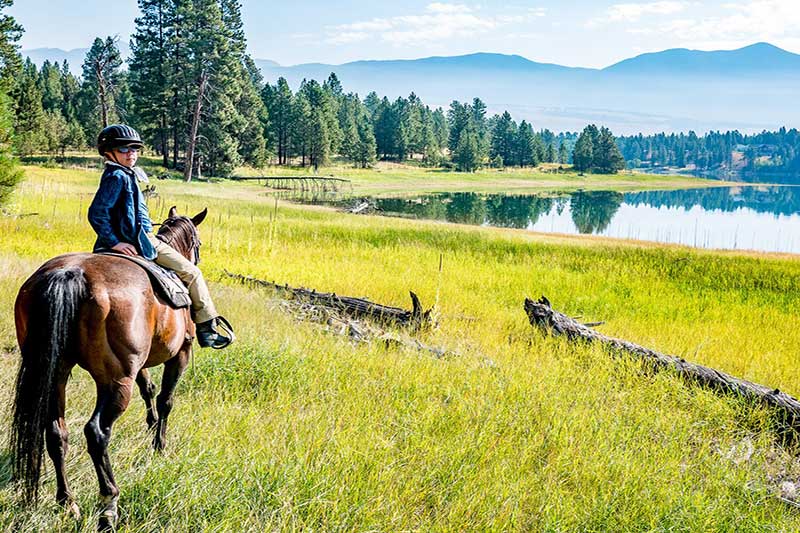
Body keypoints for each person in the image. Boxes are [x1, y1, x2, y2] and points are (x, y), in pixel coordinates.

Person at [88, 124, 232, 349]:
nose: (131, 154)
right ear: (109, 152)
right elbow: (97, 213)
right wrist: (115, 243)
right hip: (141, 241)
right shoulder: (117, 176)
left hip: (131, 237)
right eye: (124, 149)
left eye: (135, 149)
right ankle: (207, 328)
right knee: (193, 272)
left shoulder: (125, 173)